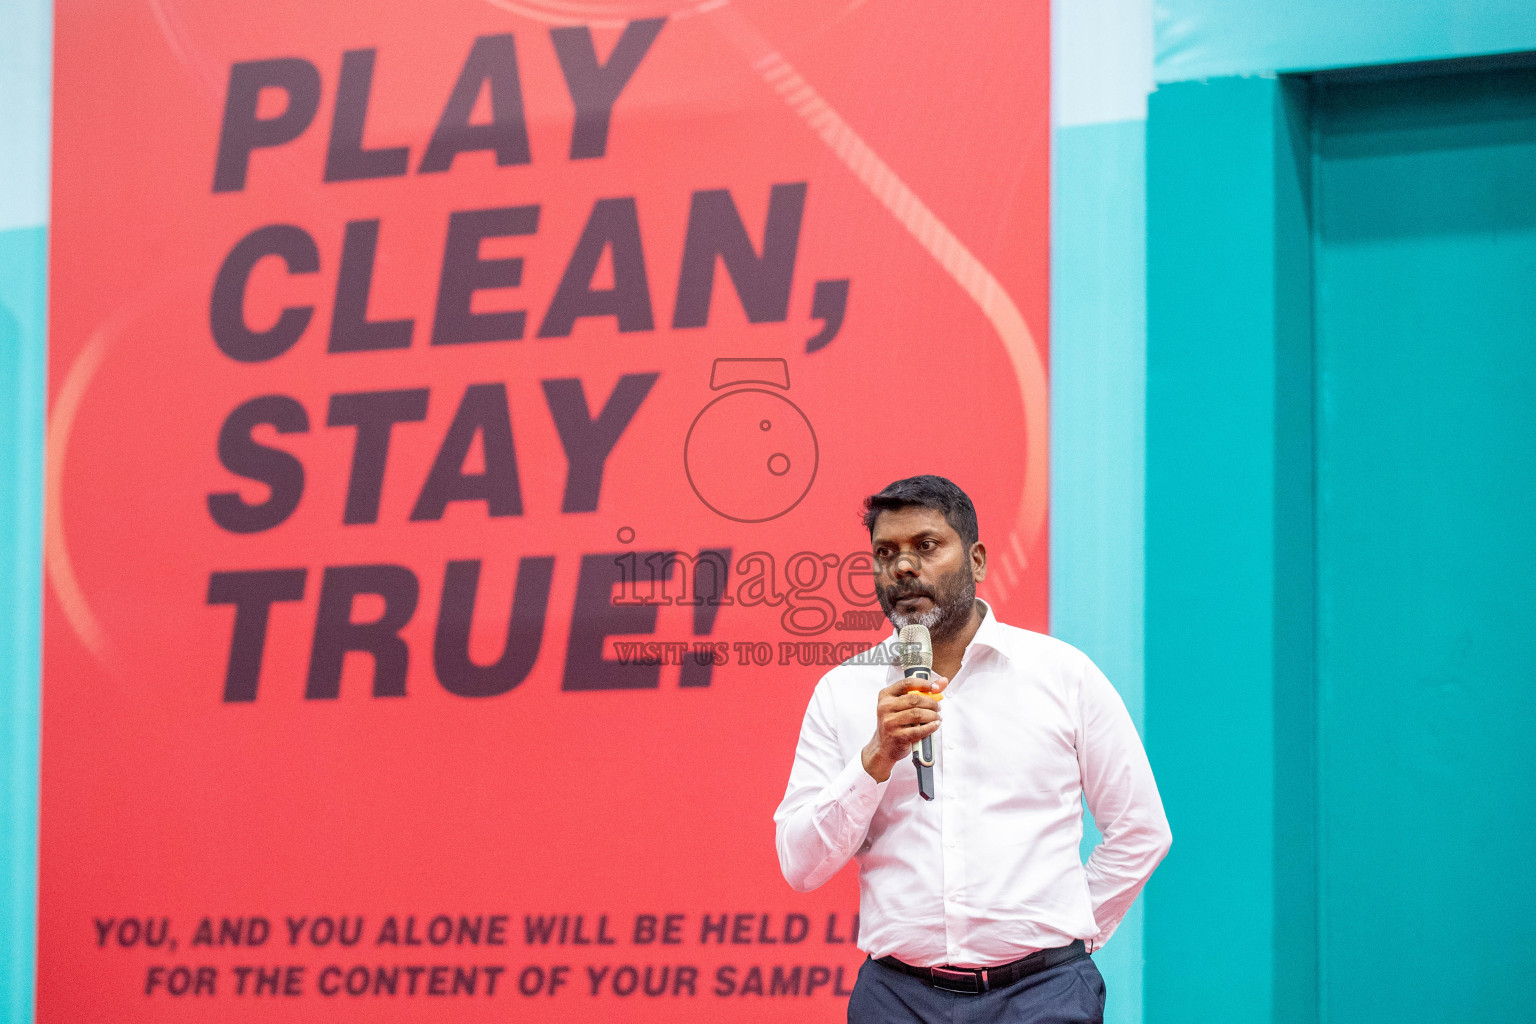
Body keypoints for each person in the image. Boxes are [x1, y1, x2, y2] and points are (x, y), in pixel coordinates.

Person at [774, 475, 1171, 1024]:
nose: (903, 567)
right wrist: (875, 760)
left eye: (927, 546)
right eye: (885, 553)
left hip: (1043, 995)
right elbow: (800, 864)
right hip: (896, 998)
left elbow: (1141, 829)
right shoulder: (843, 691)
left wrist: (1069, 935)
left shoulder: (1062, 675)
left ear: (978, 560)